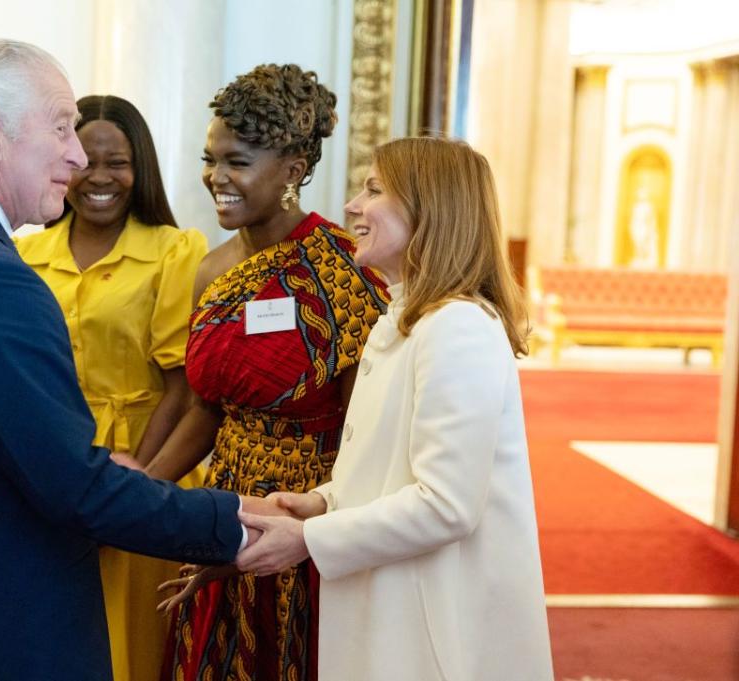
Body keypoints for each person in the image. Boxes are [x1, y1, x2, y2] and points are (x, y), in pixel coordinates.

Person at [0, 39, 273, 681]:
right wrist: (236, 522)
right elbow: (74, 491)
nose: (78, 154)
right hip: (0, 636)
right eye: (62, 126)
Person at [236, 137, 555, 680]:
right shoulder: (408, 316)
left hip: (432, 622)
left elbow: (446, 504)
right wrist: (320, 501)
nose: (352, 206)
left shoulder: (456, 326)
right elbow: (391, 466)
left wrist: (309, 540)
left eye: (374, 189)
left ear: (430, 210)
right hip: (392, 599)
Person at [148, 64, 388, 681]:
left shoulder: (344, 272)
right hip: (225, 506)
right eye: (210, 159)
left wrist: (308, 527)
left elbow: (365, 434)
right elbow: (205, 411)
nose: (216, 178)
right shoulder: (213, 268)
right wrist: (141, 495)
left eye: (237, 161)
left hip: (304, 519)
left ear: (291, 168)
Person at [16, 94, 208, 681]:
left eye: (117, 162)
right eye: (85, 159)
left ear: (140, 167)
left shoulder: (177, 251)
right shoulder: (23, 252)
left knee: (133, 642)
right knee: (54, 629)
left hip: (147, 461)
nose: (99, 177)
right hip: (54, 460)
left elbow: (182, 391)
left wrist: (132, 495)